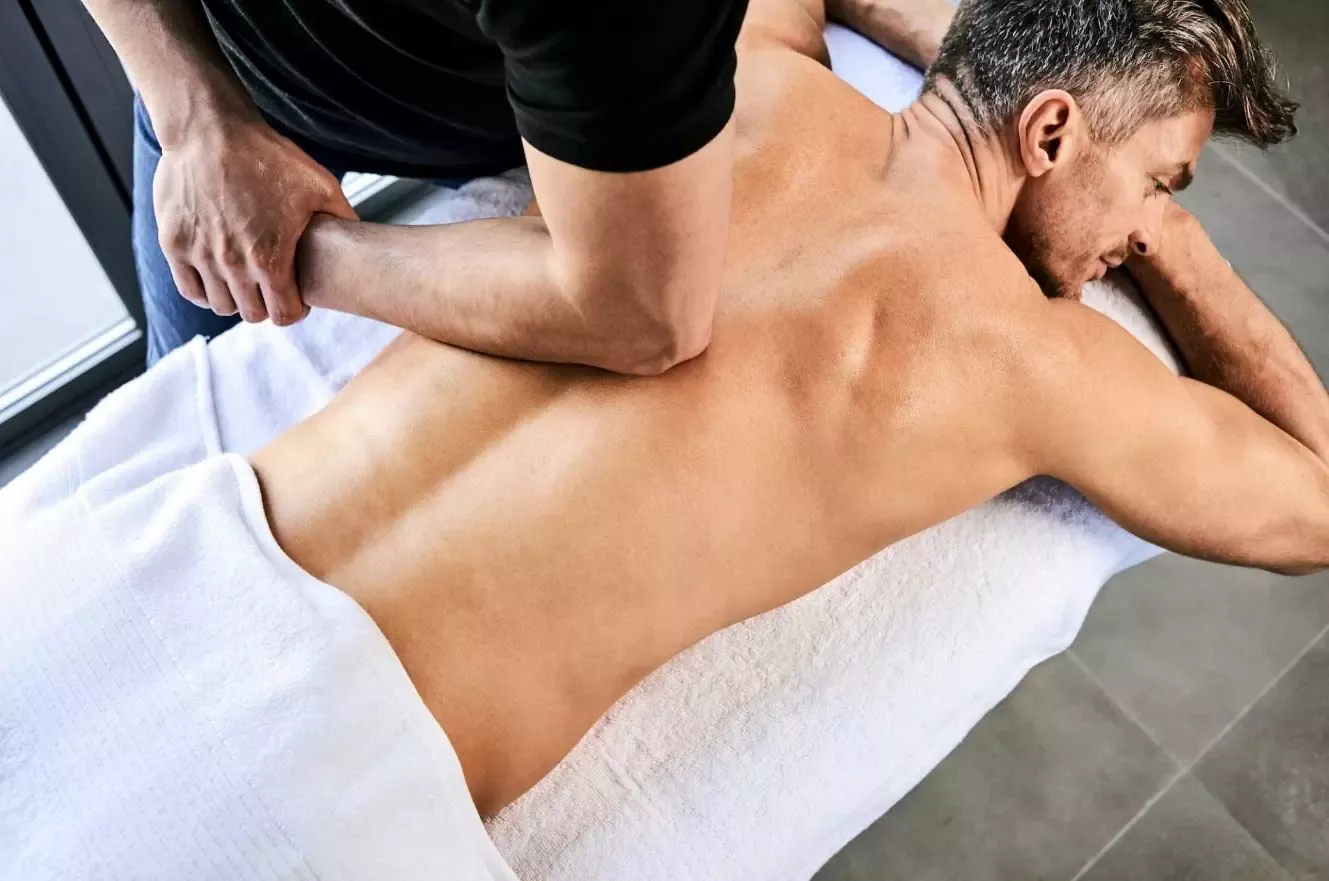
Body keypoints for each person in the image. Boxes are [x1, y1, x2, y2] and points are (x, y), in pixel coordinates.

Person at [2, 0, 1317, 874]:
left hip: (160, 555)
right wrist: (1184, 262)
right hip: (326, 783)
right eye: (1164, 184)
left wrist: (1011, 67)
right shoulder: (1036, 363)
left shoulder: (745, 72)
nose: (1144, 232)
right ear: (1050, 129)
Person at [86, 0, 760, 374]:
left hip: (532, 121)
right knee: (180, 400)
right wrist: (196, 122)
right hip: (219, 86)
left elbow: (645, 317)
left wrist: (295, 252)